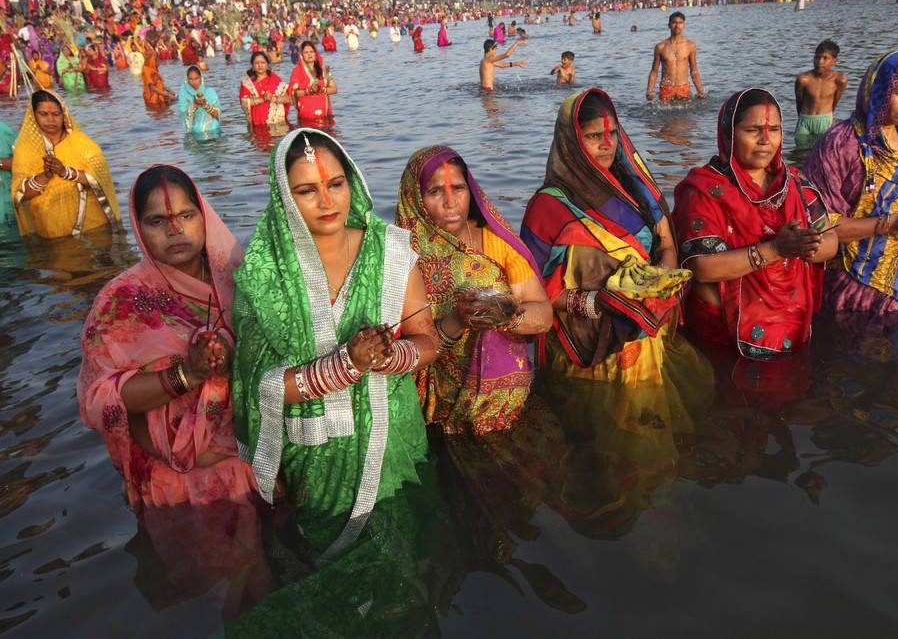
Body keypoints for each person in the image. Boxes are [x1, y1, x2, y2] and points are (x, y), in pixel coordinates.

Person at [232, 129, 440, 557]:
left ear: (353, 182)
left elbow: (429, 341)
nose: (327, 202)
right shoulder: (262, 270)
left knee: (403, 562)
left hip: (391, 436)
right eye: (307, 190)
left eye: (336, 184)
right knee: (333, 575)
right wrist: (344, 364)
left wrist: (390, 355)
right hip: (315, 457)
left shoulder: (389, 250)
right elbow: (261, 386)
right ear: (284, 197)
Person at [520, 89, 712, 432]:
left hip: (642, 335)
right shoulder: (548, 207)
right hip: (586, 350)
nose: (606, 144)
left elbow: (667, 243)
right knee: (598, 442)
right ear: (570, 141)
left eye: (612, 134)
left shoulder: (638, 189)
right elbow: (532, 294)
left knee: (649, 435)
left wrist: (659, 279)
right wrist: (597, 303)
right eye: (594, 136)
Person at [77, 165, 258, 509]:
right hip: (175, 481)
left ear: (204, 215)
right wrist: (188, 374)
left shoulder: (241, 279)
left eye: (186, 215)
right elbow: (100, 397)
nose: (175, 230)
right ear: (139, 227)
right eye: (157, 221)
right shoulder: (122, 300)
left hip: (255, 460)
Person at [395, 145, 552, 435]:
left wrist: (506, 313)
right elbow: (411, 348)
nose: (450, 201)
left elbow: (543, 314)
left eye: (459, 188)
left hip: (510, 403)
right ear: (415, 198)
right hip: (443, 410)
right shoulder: (401, 259)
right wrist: (458, 318)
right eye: (435, 192)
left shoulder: (495, 243)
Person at [673, 88, 838, 359]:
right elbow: (700, 267)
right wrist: (776, 250)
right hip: (723, 329)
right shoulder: (705, 190)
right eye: (752, 131)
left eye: (774, 129)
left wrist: (807, 245)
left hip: (791, 324)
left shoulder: (795, 182)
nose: (765, 140)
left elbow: (831, 238)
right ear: (729, 134)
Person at [805, 50, 898, 316]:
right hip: (851, 289)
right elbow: (819, 226)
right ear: (878, 91)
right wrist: (896, 223)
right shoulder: (840, 145)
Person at [11, 89, 121, 238]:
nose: (50, 120)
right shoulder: (26, 150)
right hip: (51, 234)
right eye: (43, 114)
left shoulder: (82, 144)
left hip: (93, 228)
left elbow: (101, 180)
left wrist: (65, 172)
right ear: (33, 116)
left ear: (64, 115)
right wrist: (45, 176)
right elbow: (19, 195)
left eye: (56, 114)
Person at [793, 39, 847, 150]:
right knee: (800, 151)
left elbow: (835, 101)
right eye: (817, 57)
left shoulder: (839, 80)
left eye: (825, 58)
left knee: (824, 152)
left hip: (825, 121)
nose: (820, 62)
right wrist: (800, 120)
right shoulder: (804, 79)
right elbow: (799, 101)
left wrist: (830, 117)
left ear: (834, 61)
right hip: (805, 120)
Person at [645, 11, 706, 101]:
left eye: (680, 23)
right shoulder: (660, 47)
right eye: (674, 22)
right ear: (669, 25)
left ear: (684, 25)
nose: (677, 25)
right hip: (666, 89)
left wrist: (701, 91)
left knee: (685, 114)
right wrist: (649, 91)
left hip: (683, 88)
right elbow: (654, 71)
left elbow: (694, 70)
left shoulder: (690, 46)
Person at [239, 51, 291, 128]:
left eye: (263, 62)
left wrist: (272, 98)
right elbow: (244, 102)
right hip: (256, 126)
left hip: (277, 124)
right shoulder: (247, 82)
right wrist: (262, 99)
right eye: (256, 63)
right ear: (252, 66)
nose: (260, 65)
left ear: (267, 65)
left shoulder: (275, 80)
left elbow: (287, 99)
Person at [289, 41, 337, 123]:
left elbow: (334, 89)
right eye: (306, 52)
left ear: (315, 53)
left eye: (311, 52)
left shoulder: (323, 70)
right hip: (307, 118)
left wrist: (322, 89)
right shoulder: (297, 71)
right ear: (302, 55)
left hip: (325, 115)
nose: (309, 54)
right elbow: (293, 93)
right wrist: (309, 91)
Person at [178, 65, 221, 137]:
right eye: (190, 79)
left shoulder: (210, 93)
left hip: (213, 131)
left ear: (201, 78)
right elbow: (184, 115)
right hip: (195, 134)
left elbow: (217, 115)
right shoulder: (184, 95)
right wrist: (195, 105)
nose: (194, 82)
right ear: (187, 80)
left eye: (196, 78)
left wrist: (206, 105)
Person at [142, 36, 175, 107]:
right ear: (152, 61)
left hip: (159, 96)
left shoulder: (153, 69)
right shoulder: (147, 70)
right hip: (152, 99)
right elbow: (152, 87)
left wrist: (168, 90)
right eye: (157, 60)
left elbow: (158, 83)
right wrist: (167, 94)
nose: (158, 62)